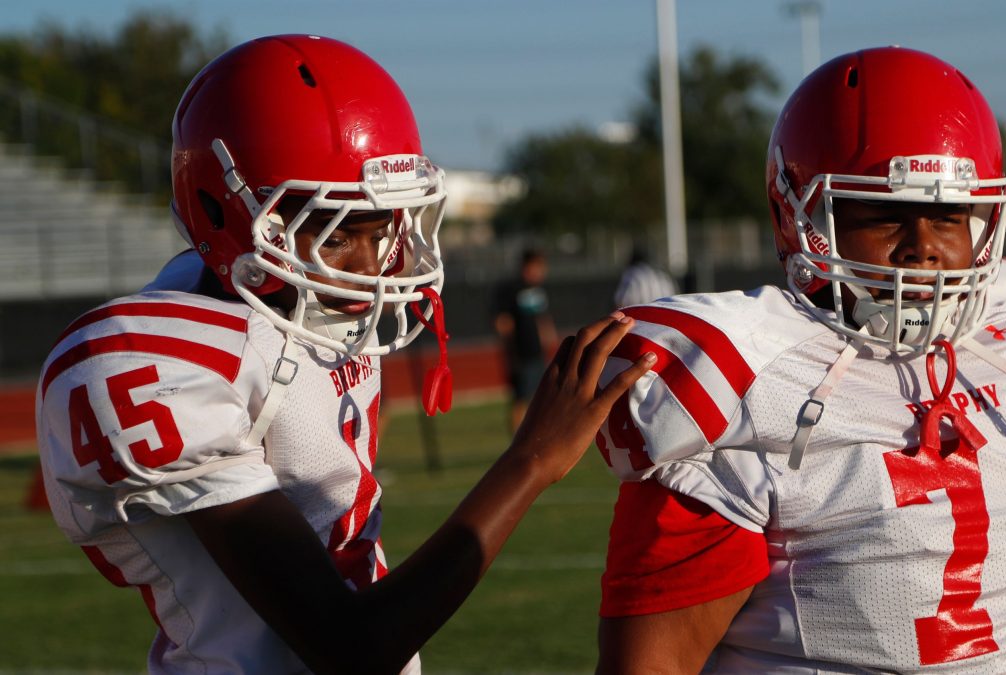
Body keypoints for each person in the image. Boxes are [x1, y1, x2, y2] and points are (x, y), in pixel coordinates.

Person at [34, 35, 654, 675]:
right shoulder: (169, 364)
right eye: (338, 235)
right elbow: (351, 649)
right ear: (228, 213)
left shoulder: (312, 305)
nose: (373, 267)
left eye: (382, 226)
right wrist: (532, 460)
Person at [593, 46, 1006, 673]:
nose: (924, 249)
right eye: (883, 213)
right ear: (798, 218)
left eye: (950, 215)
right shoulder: (736, 384)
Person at [493, 247, 559, 432]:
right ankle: (516, 440)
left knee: (542, 396)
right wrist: (510, 348)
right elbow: (503, 321)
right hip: (520, 352)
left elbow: (542, 317)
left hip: (538, 352)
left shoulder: (538, 290)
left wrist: (548, 336)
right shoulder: (511, 289)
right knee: (521, 398)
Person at [612, 244, 678, 309]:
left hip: (642, 317)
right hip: (665, 316)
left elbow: (622, 301)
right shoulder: (663, 274)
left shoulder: (632, 273)